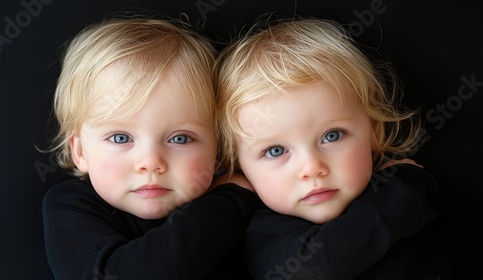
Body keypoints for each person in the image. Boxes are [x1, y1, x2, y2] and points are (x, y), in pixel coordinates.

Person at [215, 18, 452, 279]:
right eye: (275, 151)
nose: (312, 168)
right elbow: (313, 268)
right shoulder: (267, 232)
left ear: (375, 130)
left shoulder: (389, 188)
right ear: (238, 166)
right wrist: (401, 192)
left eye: (332, 135)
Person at [42, 14, 257, 280]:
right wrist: (228, 202)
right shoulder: (74, 205)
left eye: (180, 138)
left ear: (219, 151)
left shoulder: (260, 203)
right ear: (80, 152)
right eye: (121, 138)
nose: (151, 162)